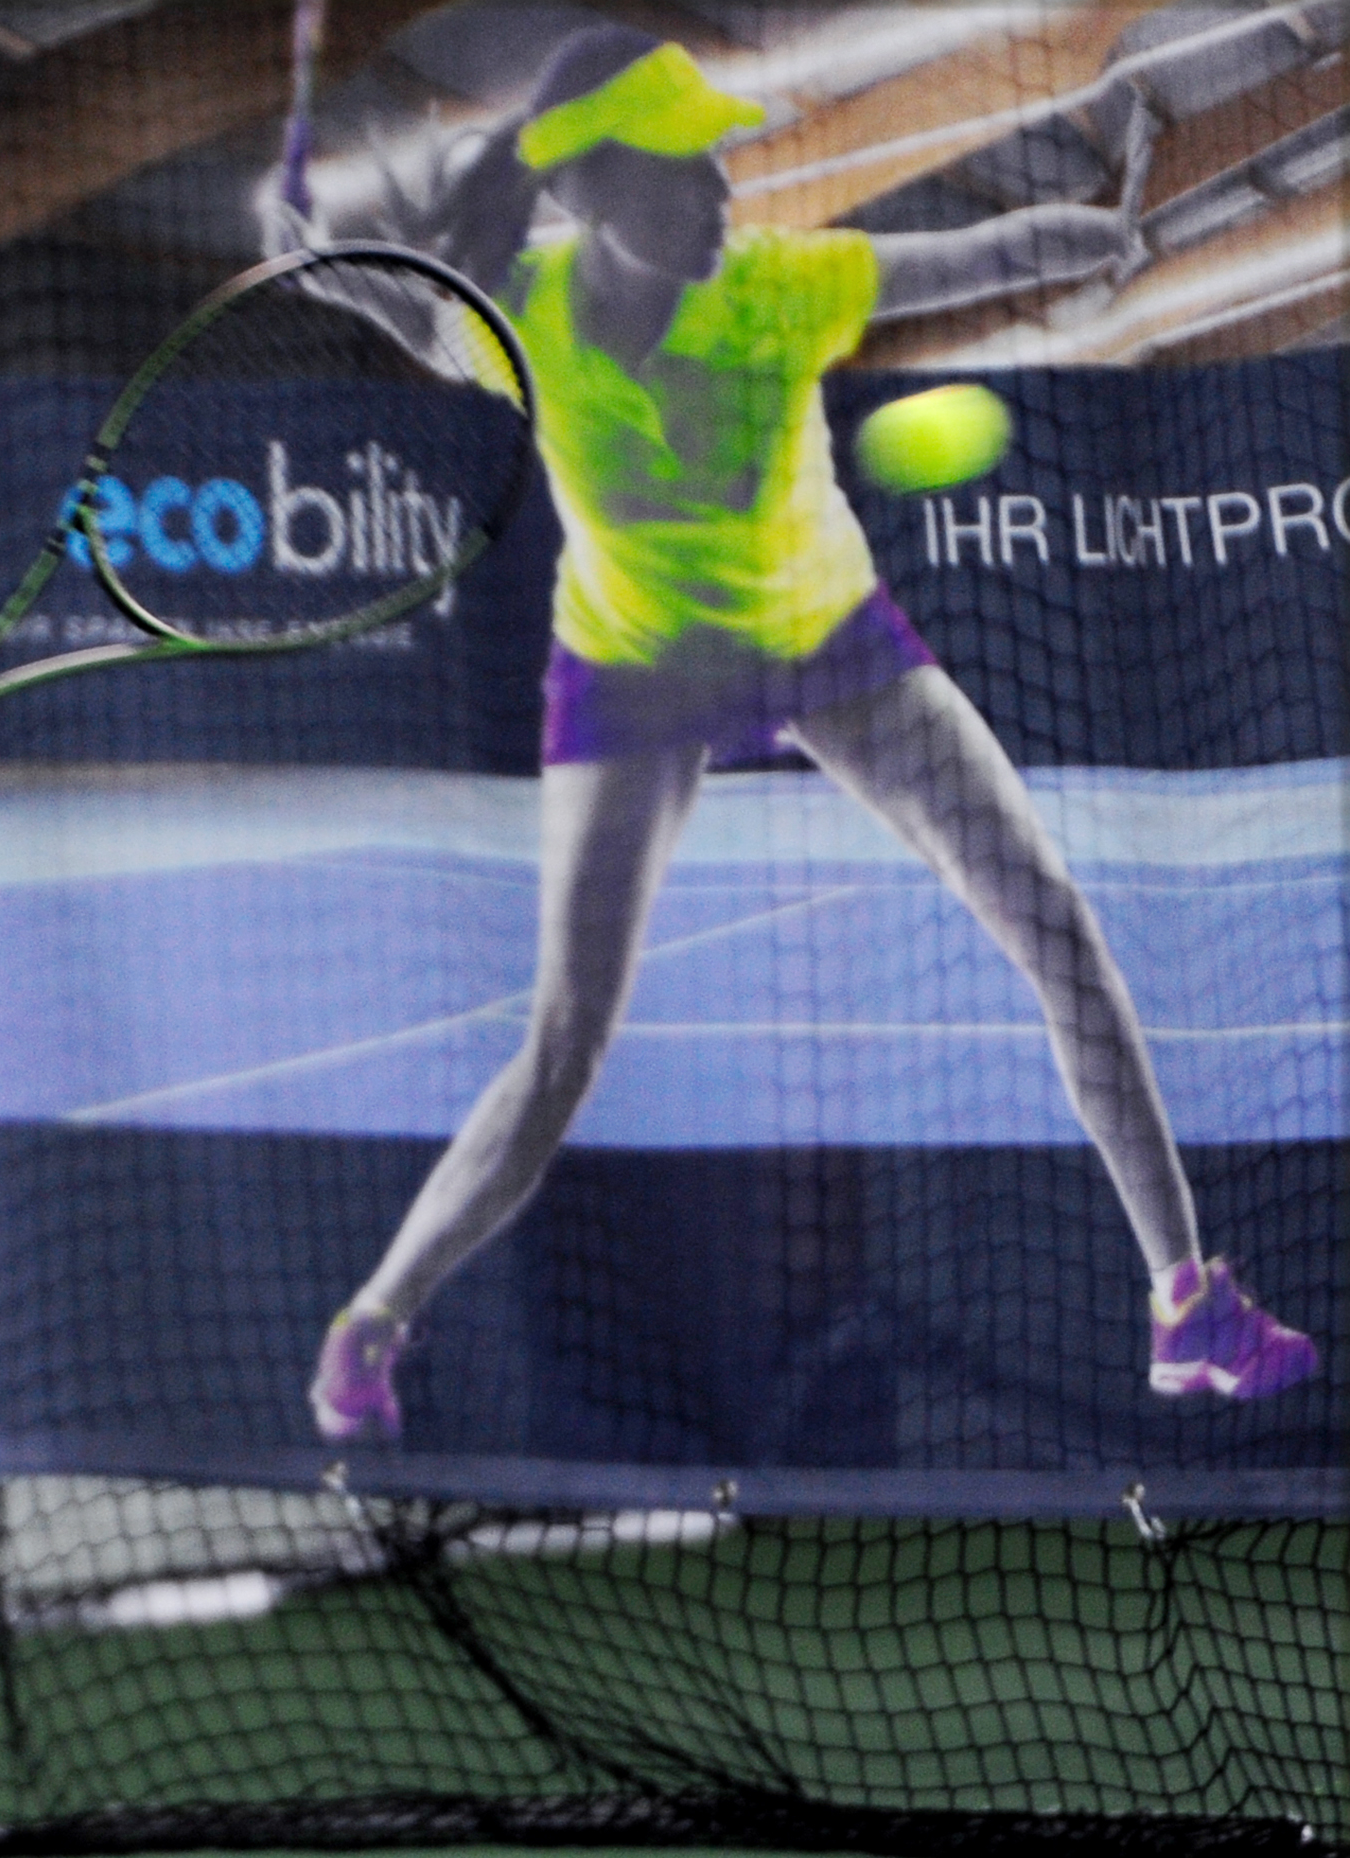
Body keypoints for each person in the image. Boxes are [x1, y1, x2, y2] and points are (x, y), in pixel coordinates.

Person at [263, 29, 1317, 1444]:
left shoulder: (784, 283)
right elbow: (391, 300)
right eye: (683, 158)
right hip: (637, 673)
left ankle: (1186, 1299)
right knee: (566, 1038)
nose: (719, 183)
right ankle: (372, 1322)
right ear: (590, 191)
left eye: (717, 151)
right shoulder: (520, 318)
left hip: (833, 649)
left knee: (1053, 924)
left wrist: (1105, 228)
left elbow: (986, 253)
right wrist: (302, 239)